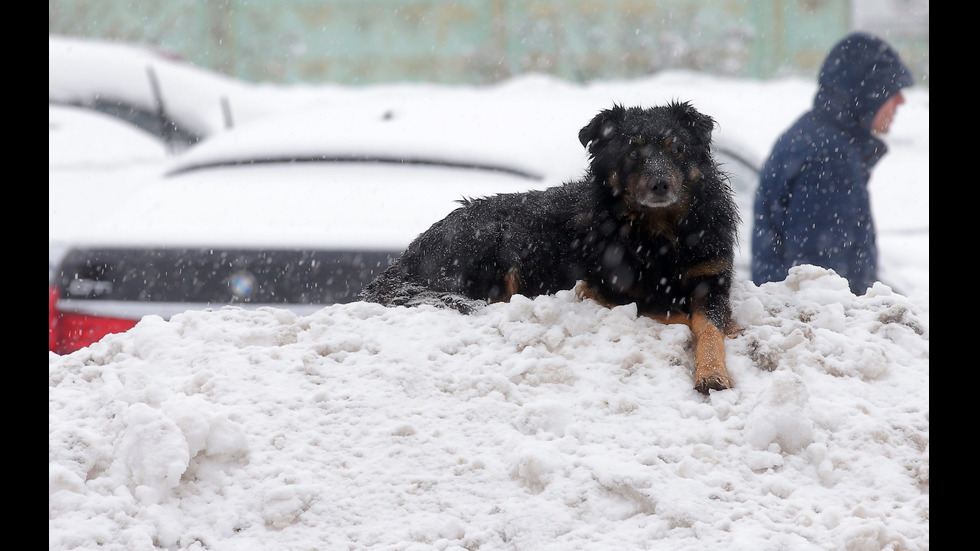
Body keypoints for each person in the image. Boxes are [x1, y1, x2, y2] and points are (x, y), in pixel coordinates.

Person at [751, 31, 914, 295]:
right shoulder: (828, 158)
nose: (901, 101)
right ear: (866, 92)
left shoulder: (817, 138)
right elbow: (820, 285)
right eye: (892, 90)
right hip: (822, 331)